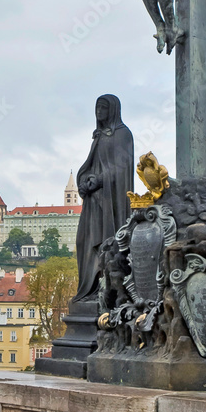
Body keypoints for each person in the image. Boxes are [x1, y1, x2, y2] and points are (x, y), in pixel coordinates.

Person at [74, 95, 134, 302]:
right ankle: (88, 290)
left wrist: (100, 179)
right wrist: (84, 180)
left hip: (110, 202)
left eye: (103, 108)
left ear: (113, 110)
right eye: (97, 108)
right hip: (93, 201)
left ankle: (109, 292)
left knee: (106, 245)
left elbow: (122, 168)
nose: (99, 112)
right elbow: (90, 165)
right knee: (84, 241)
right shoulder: (99, 136)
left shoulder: (123, 134)